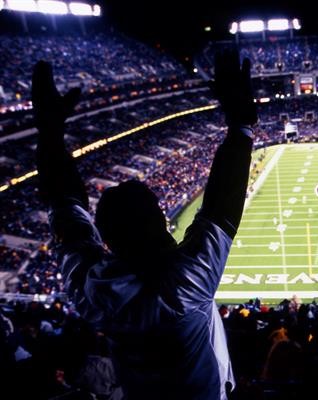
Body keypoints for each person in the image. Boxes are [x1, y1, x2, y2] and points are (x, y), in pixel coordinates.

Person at [33, 50, 257, 400]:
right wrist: (240, 121)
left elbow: (64, 204)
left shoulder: (92, 291)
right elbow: (220, 210)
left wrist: (48, 135)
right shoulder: (184, 286)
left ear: (105, 237)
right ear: (158, 221)